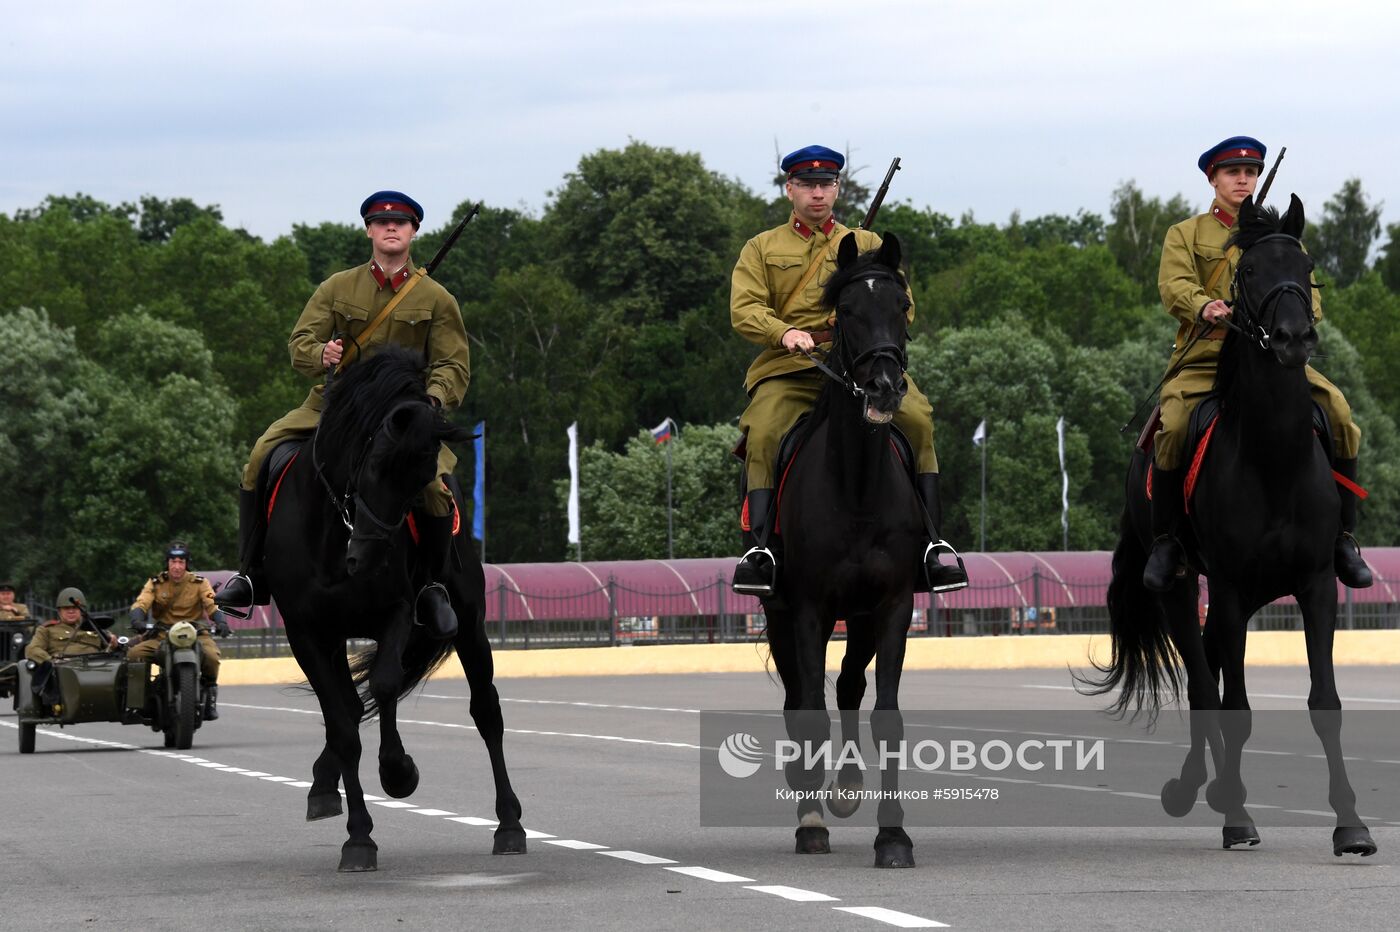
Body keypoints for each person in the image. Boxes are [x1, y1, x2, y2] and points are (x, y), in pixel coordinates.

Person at [215, 191, 471, 637]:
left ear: (413, 232)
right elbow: (299, 344)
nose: (391, 228)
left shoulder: (437, 298)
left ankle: (431, 585)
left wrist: (431, 402)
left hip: (402, 416)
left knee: (434, 489)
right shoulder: (336, 287)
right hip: (335, 408)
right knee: (259, 456)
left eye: (401, 223)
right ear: (369, 230)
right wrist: (322, 352)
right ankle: (253, 573)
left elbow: (453, 364)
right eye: (381, 222)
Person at [729, 144, 968, 597]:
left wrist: (863, 323)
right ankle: (761, 551)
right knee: (761, 433)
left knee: (918, 420)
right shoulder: (761, 248)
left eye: (826, 184)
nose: (817, 194)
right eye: (807, 185)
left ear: (837, 188)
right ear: (790, 190)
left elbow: (905, 306)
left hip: (863, 366)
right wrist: (785, 333)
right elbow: (745, 310)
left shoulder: (869, 245)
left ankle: (932, 544)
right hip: (793, 366)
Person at [1146, 135, 1371, 591]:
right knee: (1172, 425)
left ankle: (1344, 536)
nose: (1243, 180)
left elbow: (1309, 298)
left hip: (1273, 359)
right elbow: (1173, 286)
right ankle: (1168, 540)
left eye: (1250, 172)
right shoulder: (1185, 234)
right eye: (1233, 173)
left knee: (1343, 416)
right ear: (1213, 179)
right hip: (1205, 359)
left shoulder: (1278, 239)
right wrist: (1204, 305)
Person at [128, 541, 230, 720]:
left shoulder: (199, 583)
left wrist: (221, 621)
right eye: (173, 561)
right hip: (162, 634)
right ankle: (141, 700)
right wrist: (137, 619)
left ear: (186, 564)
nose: (176, 566)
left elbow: (211, 603)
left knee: (212, 657)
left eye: (181, 562)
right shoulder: (155, 583)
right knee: (135, 655)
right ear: (167, 563)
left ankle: (210, 700)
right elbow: (142, 602)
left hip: (195, 633)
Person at [25, 587, 117, 663]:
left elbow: (113, 645)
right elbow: (32, 650)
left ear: (82, 610)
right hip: (64, 670)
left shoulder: (94, 627)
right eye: (66, 608)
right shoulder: (47, 629)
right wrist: (52, 661)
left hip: (96, 667)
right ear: (59, 611)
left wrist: (114, 644)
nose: (71, 611)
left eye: (75, 608)